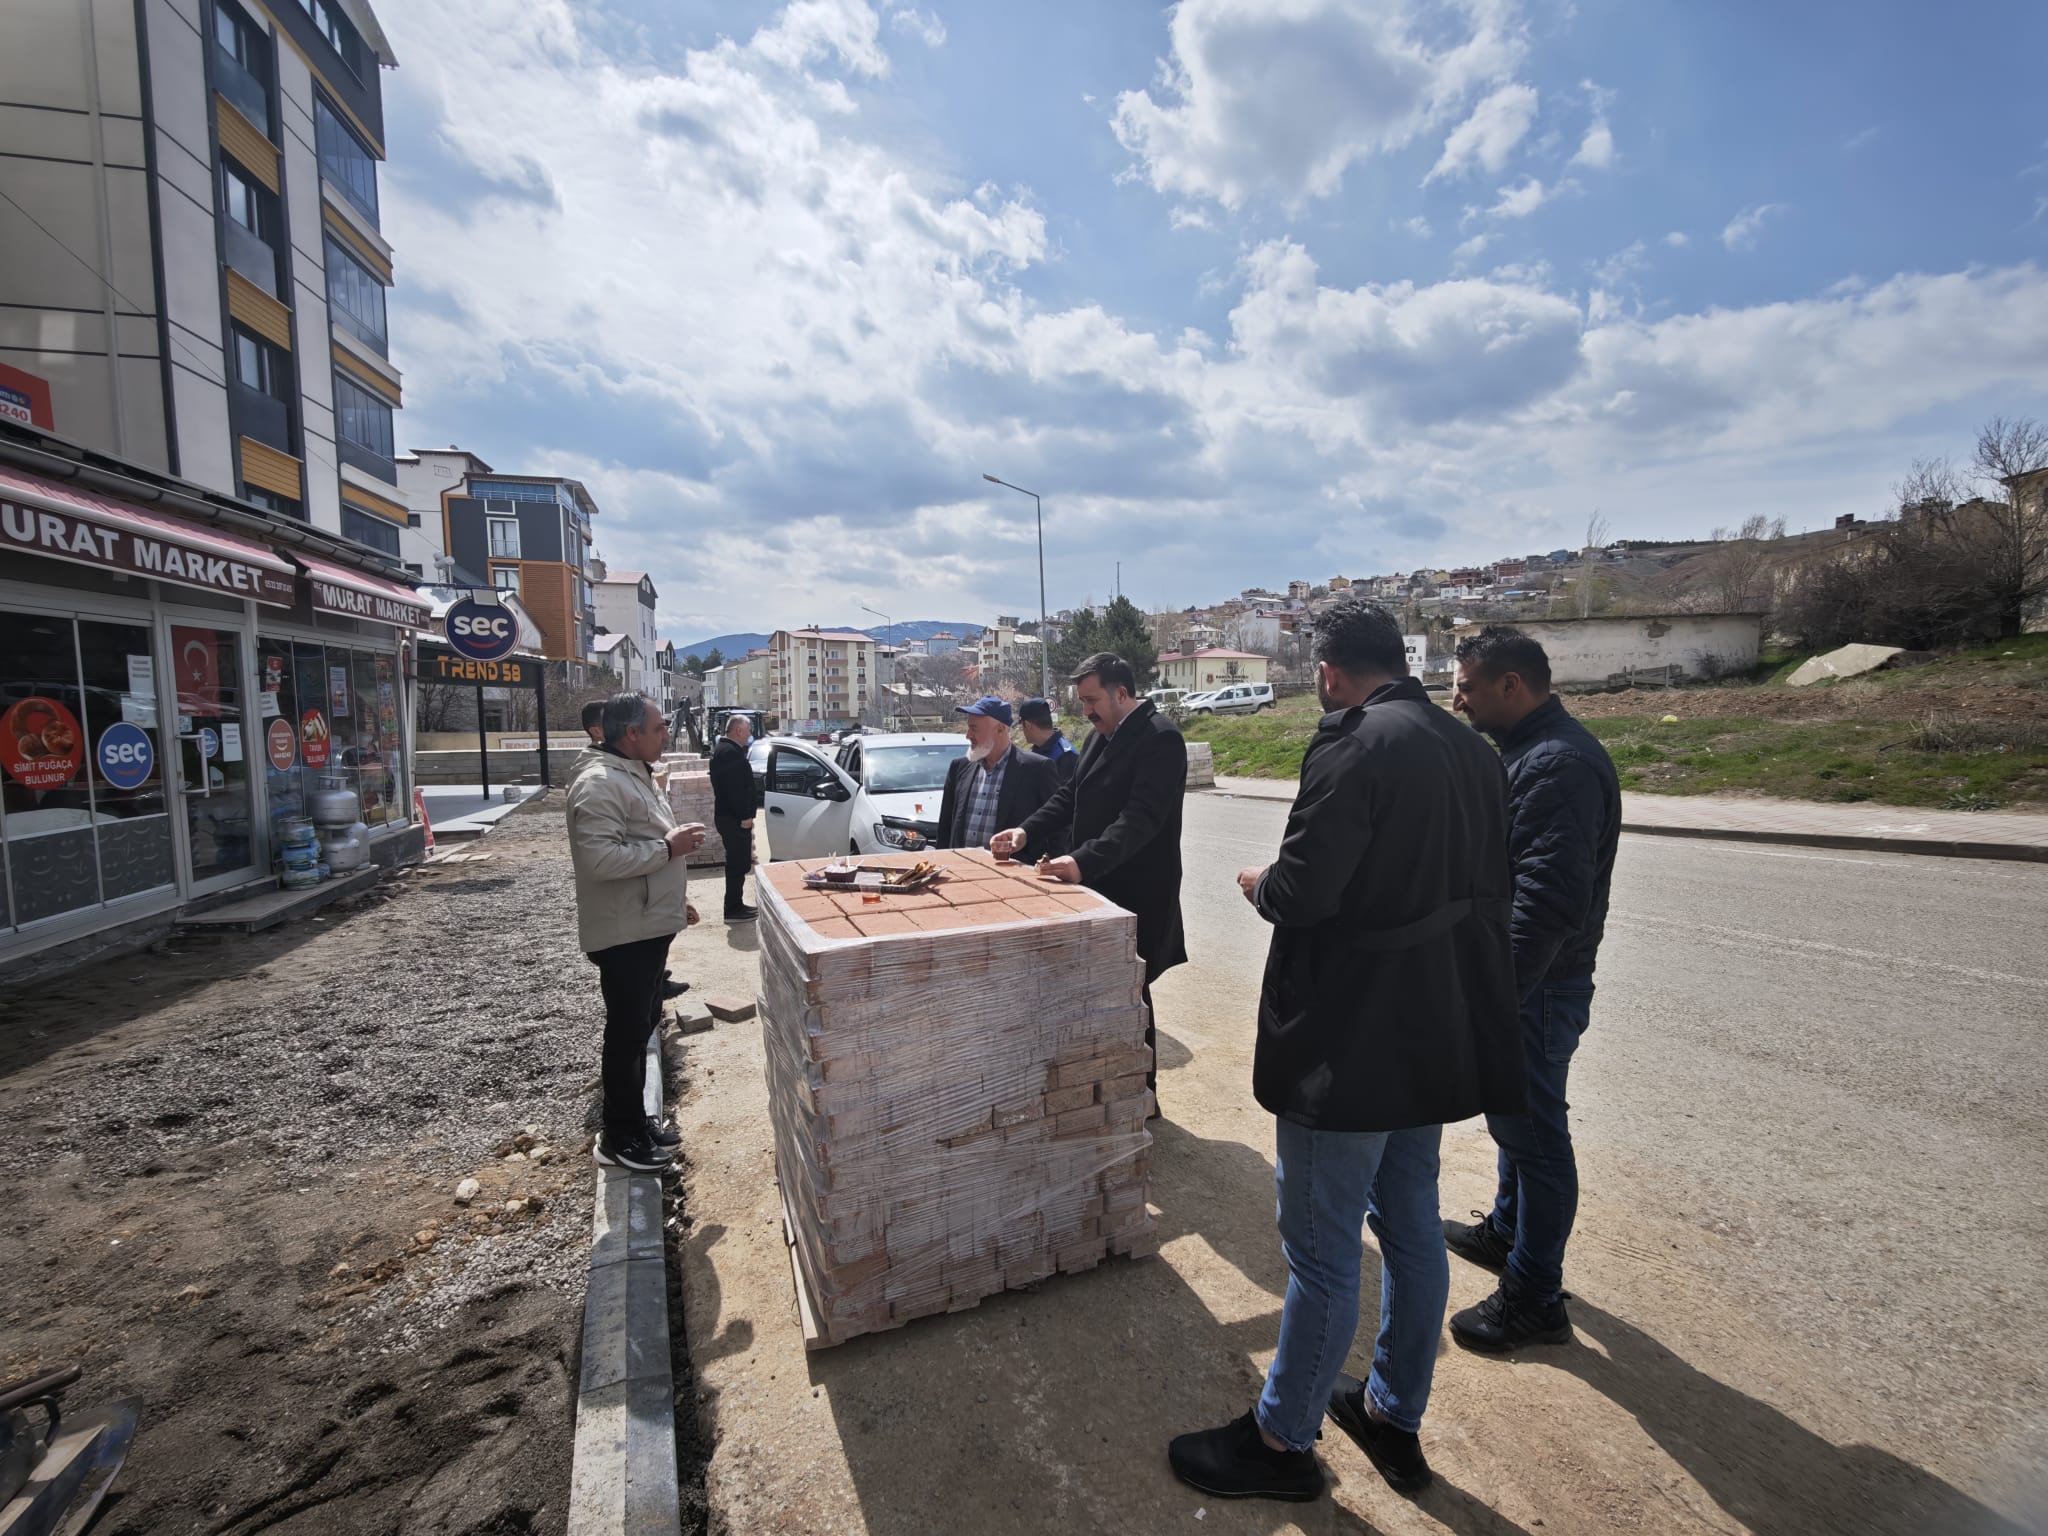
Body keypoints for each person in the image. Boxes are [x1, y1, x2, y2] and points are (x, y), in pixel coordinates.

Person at [1167, 600, 1522, 1504]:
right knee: (1409, 1229)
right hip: (1427, 1032)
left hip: (1349, 1041)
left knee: (1323, 1254)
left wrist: (1259, 884)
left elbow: (1307, 890)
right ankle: (1394, 1415)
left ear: (1328, 672)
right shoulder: (1474, 752)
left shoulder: (1352, 744)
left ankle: (1281, 1442)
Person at [1441, 625, 1620, 1352]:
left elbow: (1545, 904)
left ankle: (1534, 1297)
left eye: (1467, 686)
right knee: (1517, 1123)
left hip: (1538, 986)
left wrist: (1494, 998)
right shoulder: (1531, 754)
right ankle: (1509, 1232)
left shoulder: (1558, 766)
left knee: (1539, 1139)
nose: (1457, 700)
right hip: (1533, 983)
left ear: (1510, 685)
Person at [991, 654, 1186, 1104]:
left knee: (1131, 988)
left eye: (1092, 700)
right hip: (1097, 884)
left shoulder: (1161, 739)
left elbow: (1140, 821)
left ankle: (1142, 1091)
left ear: (1122, 693)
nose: (1086, 712)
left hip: (1136, 888)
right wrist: (1026, 830)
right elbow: (1068, 795)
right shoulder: (1102, 735)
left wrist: (1081, 862)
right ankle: (1107, 1082)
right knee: (1106, 987)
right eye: (1081, 702)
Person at [567, 693, 705, 1171]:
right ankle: (619, 1139)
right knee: (625, 1036)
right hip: (625, 934)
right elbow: (600, 860)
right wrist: (669, 850)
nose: (666, 734)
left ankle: (636, 1122)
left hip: (645, 923)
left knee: (641, 1027)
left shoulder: (633, 773)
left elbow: (641, 847)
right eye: (659, 727)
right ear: (632, 735)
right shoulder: (600, 784)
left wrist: (673, 902)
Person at [934, 697, 1058, 851]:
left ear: (1000, 729)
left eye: (974, 728)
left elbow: (1057, 826)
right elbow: (945, 829)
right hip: (962, 871)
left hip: (1014, 872)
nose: (968, 735)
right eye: (968, 728)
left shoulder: (1037, 769)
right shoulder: (959, 767)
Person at [709, 714, 760, 922]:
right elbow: (735, 790)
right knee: (737, 864)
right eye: (748, 730)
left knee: (738, 863)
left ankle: (736, 905)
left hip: (729, 817)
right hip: (733, 818)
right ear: (739, 730)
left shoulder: (727, 750)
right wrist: (745, 816)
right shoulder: (729, 753)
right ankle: (733, 909)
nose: (750, 734)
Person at [1016, 697, 1078, 786]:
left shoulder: (1067, 756)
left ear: (1028, 725)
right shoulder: (1037, 749)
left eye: (1022, 726)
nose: (1022, 730)